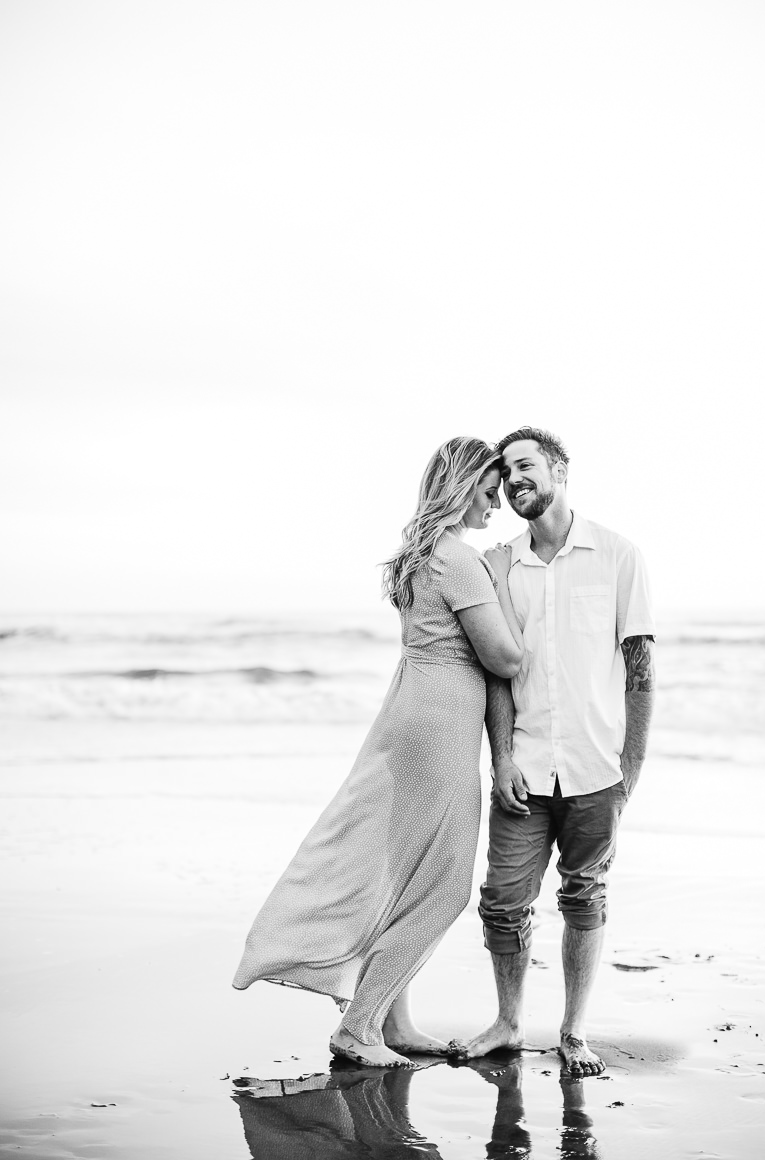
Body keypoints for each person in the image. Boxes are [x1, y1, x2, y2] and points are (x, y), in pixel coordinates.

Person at [233, 436, 524, 1068]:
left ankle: (395, 1023)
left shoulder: (419, 557)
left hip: (409, 712)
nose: (496, 504)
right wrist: (502, 585)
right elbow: (505, 657)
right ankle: (358, 1027)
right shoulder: (459, 558)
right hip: (439, 725)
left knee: (401, 870)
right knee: (444, 887)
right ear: (463, 482)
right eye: (489, 489)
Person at [460, 426, 656, 1077]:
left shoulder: (619, 556)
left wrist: (629, 771)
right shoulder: (497, 565)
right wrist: (502, 757)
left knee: (585, 894)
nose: (515, 481)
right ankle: (510, 1022)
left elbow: (640, 667)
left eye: (525, 466)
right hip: (525, 767)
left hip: (597, 769)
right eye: (505, 472)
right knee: (503, 902)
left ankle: (573, 1032)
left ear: (559, 469)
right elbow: (497, 674)